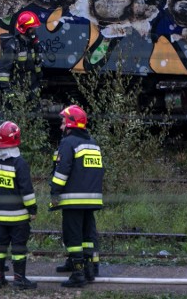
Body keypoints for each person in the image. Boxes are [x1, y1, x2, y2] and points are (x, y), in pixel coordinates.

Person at [49, 105, 104, 288]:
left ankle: (78, 274)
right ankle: (89, 270)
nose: (61, 126)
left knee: (73, 237)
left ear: (71, 123)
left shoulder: (68, 142)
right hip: (92, 199)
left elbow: (62, 171)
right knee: (88, 236)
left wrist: (55, 191)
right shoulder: (93, 143)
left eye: (63, 122)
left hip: (73, 199)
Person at [0, 121, 37, 290]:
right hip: (19, 216)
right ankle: (19, 279)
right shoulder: (18, 162)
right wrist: (33, 209)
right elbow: (26, 190)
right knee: (18, 246)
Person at [0, 10, 43, 110]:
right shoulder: (13, 46)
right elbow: (3, 72)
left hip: (31, 92)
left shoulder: (33, 45)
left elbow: (37, 67)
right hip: (15, 92)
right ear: (24, 29)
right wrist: (9, 93)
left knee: (34, 120)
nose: (34, 32)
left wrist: (39, 81)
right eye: (32, 29)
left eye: (35, 29)